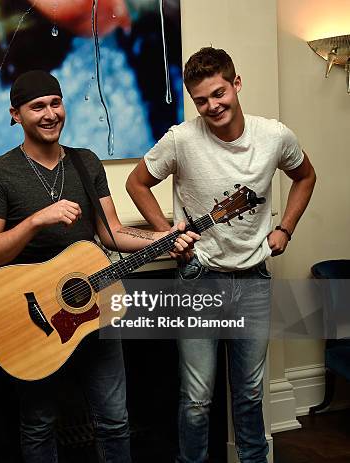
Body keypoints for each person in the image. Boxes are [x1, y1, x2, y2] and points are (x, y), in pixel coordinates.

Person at [0, 70, 199, 462]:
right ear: (15, 114)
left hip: (93, 310)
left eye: (55, 103)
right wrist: (35, 221)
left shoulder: (85, 162)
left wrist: (164, 239)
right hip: (31, 320)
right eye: (36, 106)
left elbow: (111, 233)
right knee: (39, 425)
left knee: (114, 419)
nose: (49, 113)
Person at [126, 47, 316, 463]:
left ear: (236, 83)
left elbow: (305, 176)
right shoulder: (181, 139)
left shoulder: (274, 136)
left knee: (249, 394)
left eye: (218, 93)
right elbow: (136, 182)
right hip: (198, 278)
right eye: (201, 100)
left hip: (253, 278)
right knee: (196, 398)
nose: (212, 106)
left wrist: (285, 228)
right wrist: (165, 231)